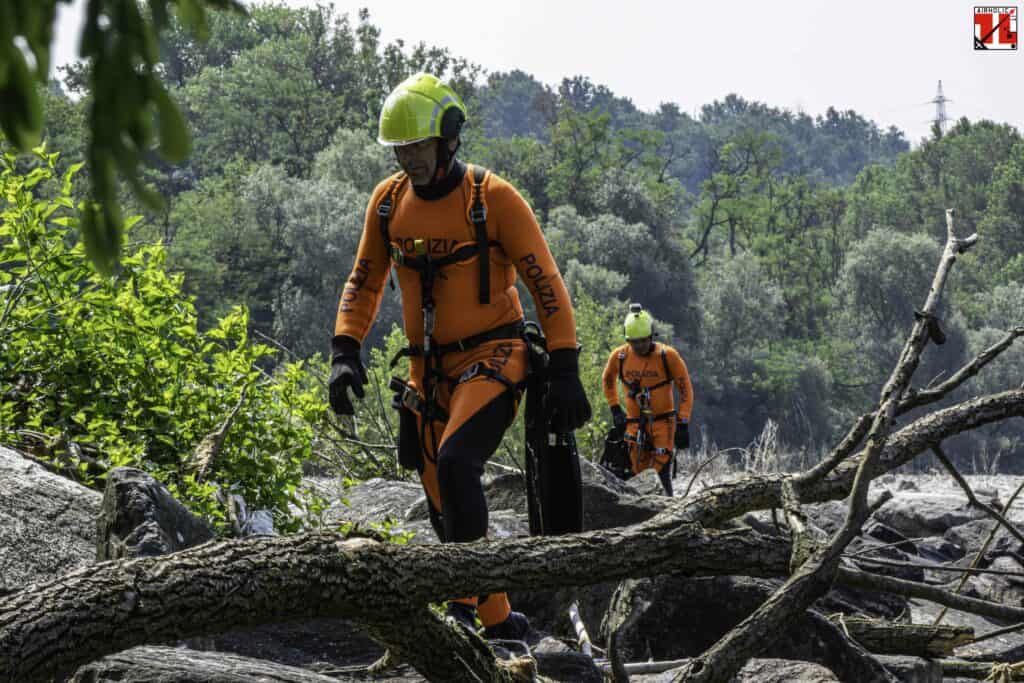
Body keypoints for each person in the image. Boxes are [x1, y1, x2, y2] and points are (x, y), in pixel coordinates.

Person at [327, 73, 591, 640]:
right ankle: (500, 622)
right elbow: (365, 280)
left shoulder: (491, 198)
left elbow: (545, 283)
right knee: (443, 498)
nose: (407, 158)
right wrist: (345, 348)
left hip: (494, 358)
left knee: (456, 462)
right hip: (426, 373)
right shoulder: (387, 203)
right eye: (399, 149)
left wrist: (566, 366)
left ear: (447, 139)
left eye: (416, 146)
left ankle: (461, 611)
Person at [601, 304, 693, 496]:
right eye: (634, 342)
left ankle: (669, 514)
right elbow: (607, 380)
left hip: (664, 423)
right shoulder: (620, 356)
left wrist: (683, 422)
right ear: (627, 339)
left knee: (662, 473)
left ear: (651, 336)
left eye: (643, 341)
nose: (639, 346)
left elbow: (685, 390)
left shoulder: (667, 356)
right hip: (634, 424)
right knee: (636, 474)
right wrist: (615, 409)